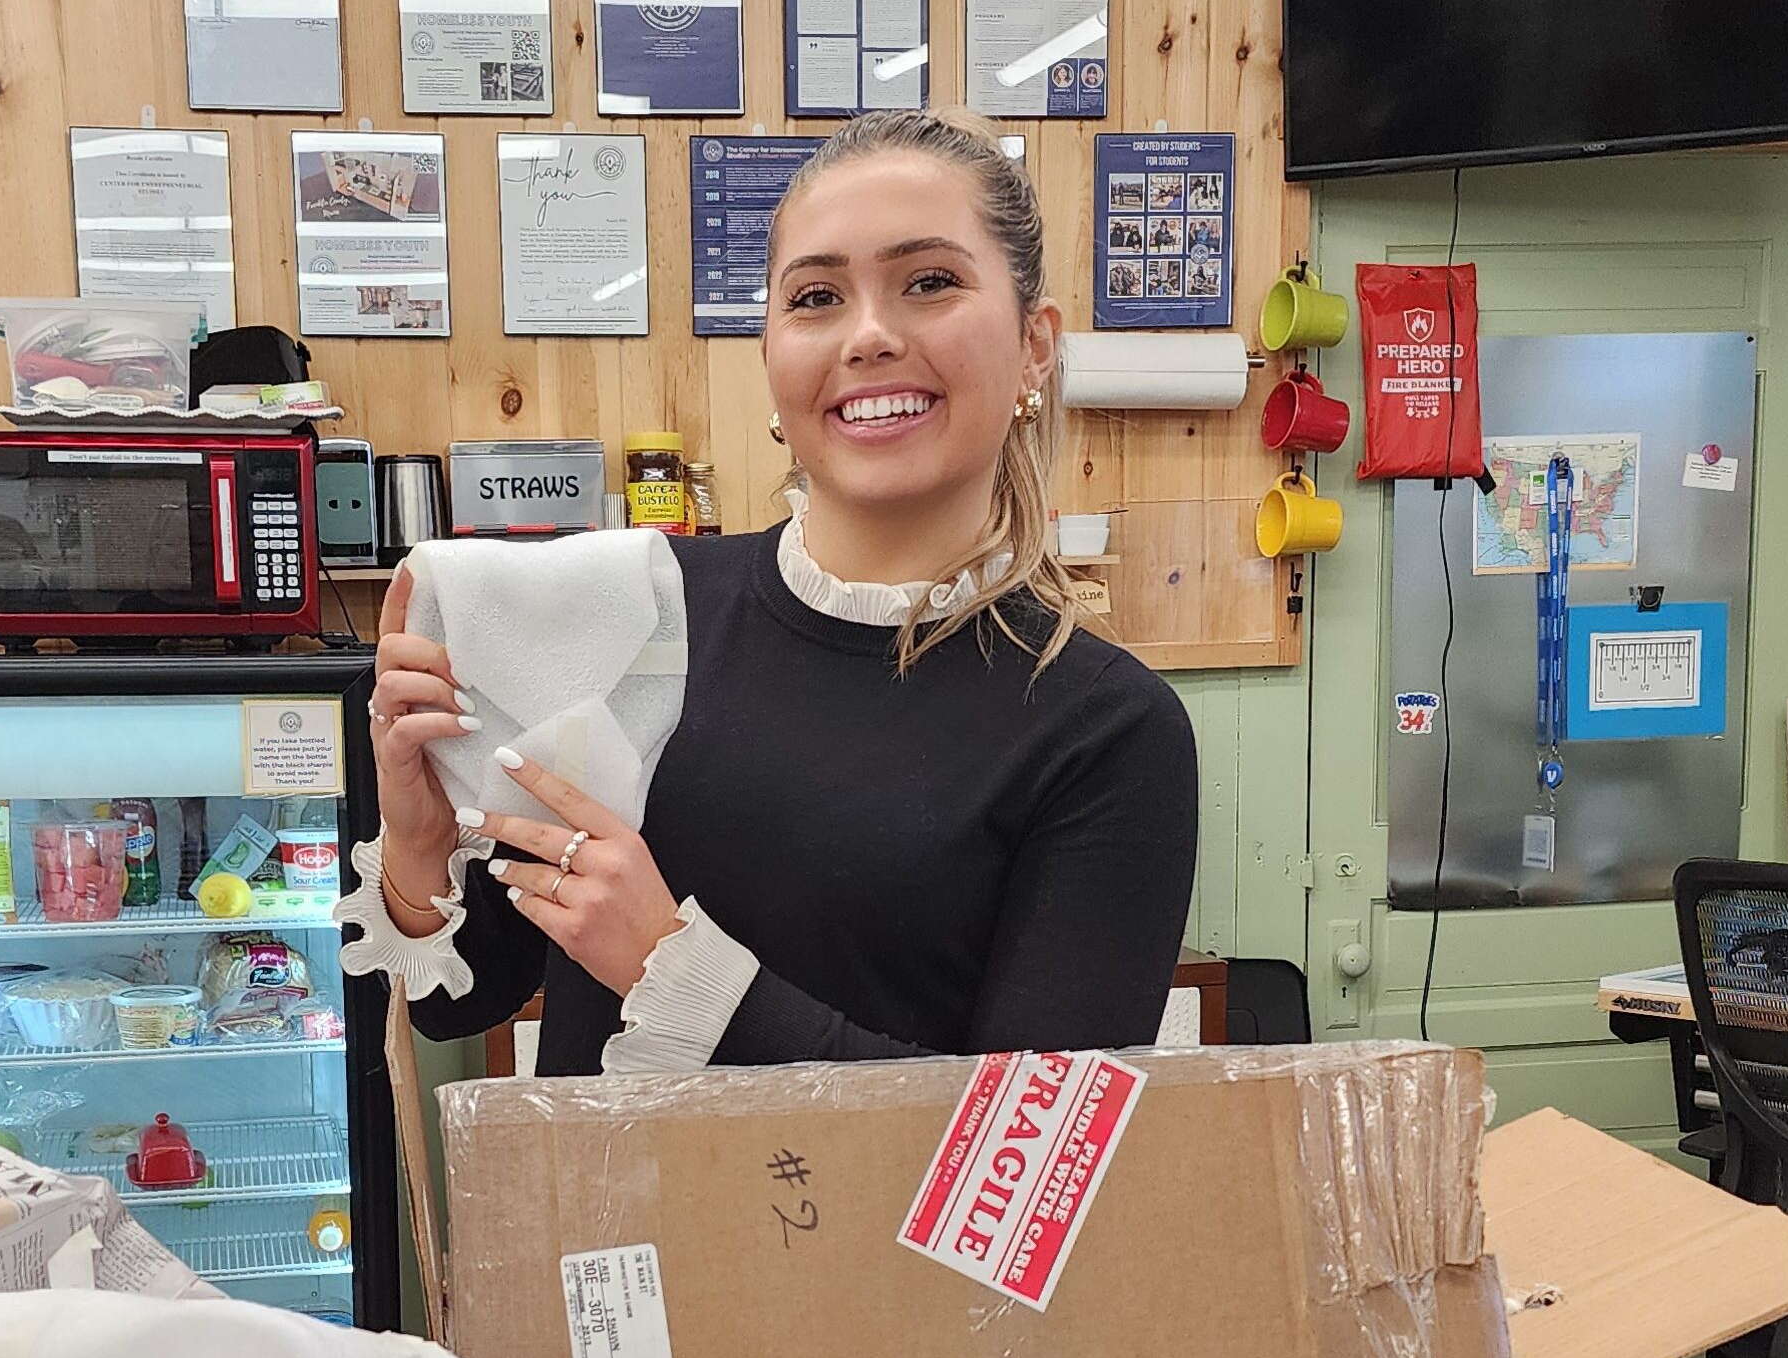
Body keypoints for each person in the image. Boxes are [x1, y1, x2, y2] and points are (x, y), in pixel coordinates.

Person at [338, 109, 1196, 1075]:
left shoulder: (1108, 732)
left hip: (880, 1238)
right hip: (600, 1229)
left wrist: (674, 972)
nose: (868, 336)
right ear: (772, 353)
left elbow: (1025, 1168)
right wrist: (418, 850)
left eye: (929, 283)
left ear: (1036, 346)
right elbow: (463, 1003)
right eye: (818, 296)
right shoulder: (638, 614)